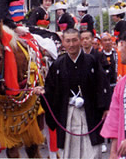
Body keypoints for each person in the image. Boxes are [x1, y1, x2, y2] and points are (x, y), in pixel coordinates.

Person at [34, 28, 110, 159]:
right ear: (63, 42)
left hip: (89, 112)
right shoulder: (57, 65)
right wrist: (42, 93)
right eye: (68, 41)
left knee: (92, 152)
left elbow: (103, 85)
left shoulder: (91, 61)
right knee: (68, 152)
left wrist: (105, 107)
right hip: (67, 113)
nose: (71, 44)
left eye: (74, 40)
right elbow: (50, 90)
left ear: (80, 41)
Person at [100, 31, 126, 159]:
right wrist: (113, 153)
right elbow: (115, 120)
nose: (119, 47)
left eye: (121, 44)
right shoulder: (121, 85)